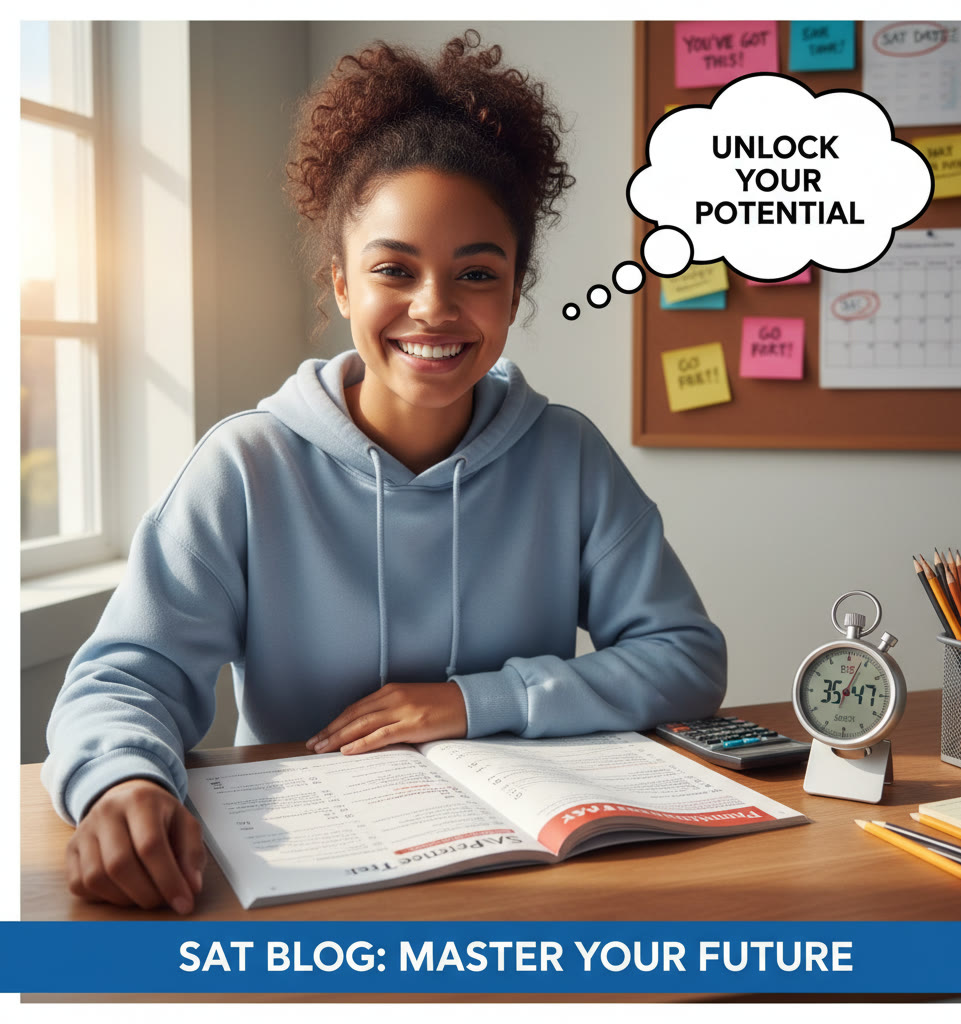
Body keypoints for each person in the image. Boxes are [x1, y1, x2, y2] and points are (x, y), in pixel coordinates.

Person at [42, 31, 727, 914]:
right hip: (307, 881)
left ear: (514, 292)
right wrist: (118, 782)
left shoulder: (569, 458)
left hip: (523, 878)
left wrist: (473, 702)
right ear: (340, 287)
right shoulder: (245, 466)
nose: (434, 308)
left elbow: (684, 658)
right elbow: (125, 676)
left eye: (476, 272)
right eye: (393, 270)